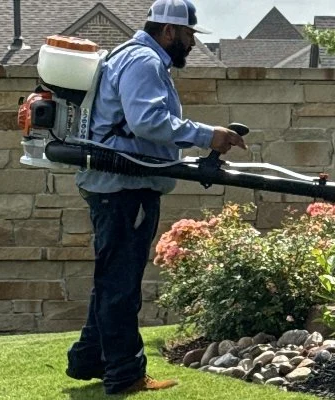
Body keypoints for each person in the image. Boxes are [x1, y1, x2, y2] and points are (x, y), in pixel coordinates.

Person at [64, 0, 245, 394]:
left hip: (115, 186)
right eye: (188, 35)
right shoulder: (144, 61)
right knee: (121, 285)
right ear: (168, 31)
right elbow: (147, 121)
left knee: (111, 279)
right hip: (125, 189)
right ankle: (126, 375)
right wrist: (206, 135)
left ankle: (89, 358)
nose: (192, 44)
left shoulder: (128, 56)